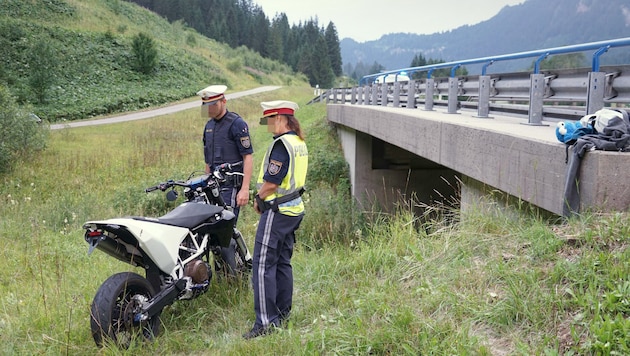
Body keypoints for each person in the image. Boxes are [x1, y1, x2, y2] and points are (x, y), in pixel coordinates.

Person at [243, 100, 308, 339]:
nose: (269, 125)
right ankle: (282, 314)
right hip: (293, 210)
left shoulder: (281, 145)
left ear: (280, 118)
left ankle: (264, 323)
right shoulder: (298, 142)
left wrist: (258, 199)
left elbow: (272, 182)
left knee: (262, 266)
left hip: (277, 211)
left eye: (270, 120)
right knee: (282, 262)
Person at [197, 84, 253, 274]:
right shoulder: (209, 126)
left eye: (213, 104)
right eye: (206, 106)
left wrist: (245, 189)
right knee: (211, 234)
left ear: (223, 101)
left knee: (226, 231)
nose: (210, 109)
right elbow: (208, 161)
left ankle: (235, 276)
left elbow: (248, 156)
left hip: (230, 188)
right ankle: (221, 274)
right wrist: (204, 184)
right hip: (212, 189)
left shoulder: (237, 124)